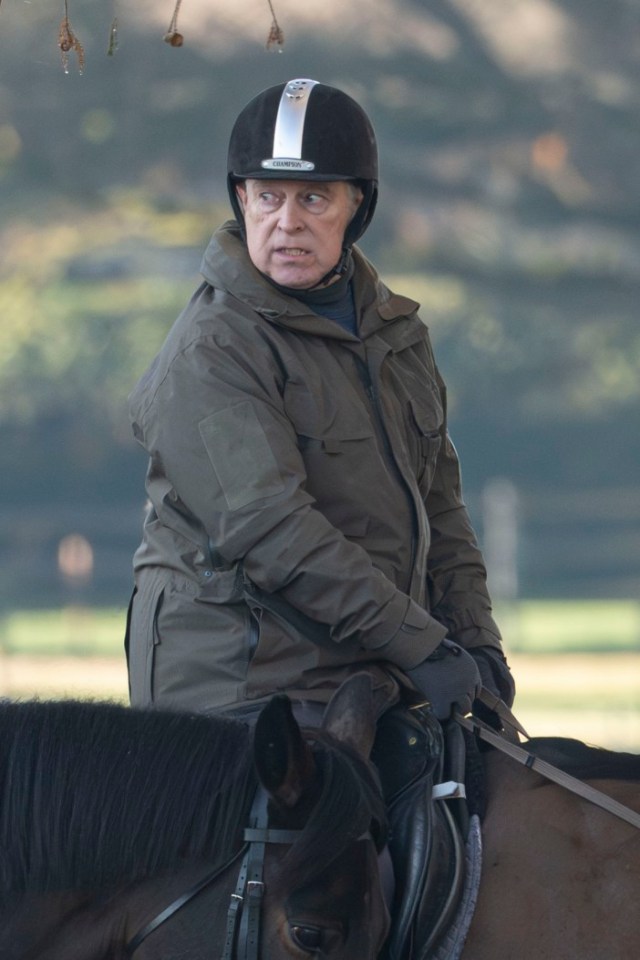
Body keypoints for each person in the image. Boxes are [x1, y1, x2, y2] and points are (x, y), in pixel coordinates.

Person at [125, 77, 514, 725]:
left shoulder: (396, 333)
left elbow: (440, 507)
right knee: (327, 825)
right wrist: (420, 644)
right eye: (268, 197)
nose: (287, 222)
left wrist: (475, 638)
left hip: (368, 662)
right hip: (241, 677)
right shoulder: (213, 349)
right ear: (241, 200)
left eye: (313, 198)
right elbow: (274, 531)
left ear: (356, 207)